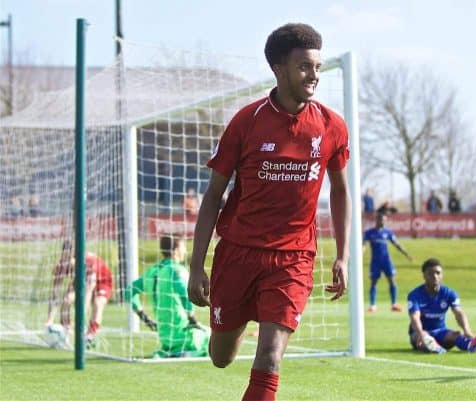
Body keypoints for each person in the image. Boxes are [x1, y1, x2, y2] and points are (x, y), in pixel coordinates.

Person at [187, 23, 351, 401]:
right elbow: (213, 196)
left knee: (270, 356)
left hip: (293, 257)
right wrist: (197, 265)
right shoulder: (247, 122)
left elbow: (340, 189)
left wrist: (342, 255)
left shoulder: (331, 126)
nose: (314, 76)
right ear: (279, 68)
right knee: (221, 356)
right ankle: (237, 317)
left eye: (317, 67)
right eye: (305, 67)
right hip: (238, 252)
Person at [125, 234, 209, 358]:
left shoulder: (152, 271)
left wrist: (143, 316)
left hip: (164, 336)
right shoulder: (176, 270)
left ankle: (176, 352)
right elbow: (186, 295)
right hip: (183, 334)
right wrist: (193, 320)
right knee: (210, 335)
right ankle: (186, 353)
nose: (185, 251)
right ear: (175, 251)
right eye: (183, 247)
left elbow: (129, 291)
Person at [407, 258, 476, 354]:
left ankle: (471, 345)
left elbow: (459, 313)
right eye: (430, 273)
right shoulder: (415, 295)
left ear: (442, 275)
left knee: (456, 335)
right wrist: (421, 333)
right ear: (424, 275)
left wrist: (467, 331)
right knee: (424, 339)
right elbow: (414, 317)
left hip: (440, 332)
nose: (435, 276)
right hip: (419, 333)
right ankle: (433, 346)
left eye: (438, 273)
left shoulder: (449, 293)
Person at [45, 240, 113, 347]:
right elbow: (55, 293)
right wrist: (50, 319)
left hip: (102, 281)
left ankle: (91, 335)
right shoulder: (61, 266)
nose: (67, 261)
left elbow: (88, 291)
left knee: (97, 303)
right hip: (81, 279)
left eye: (70, 259)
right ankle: (66, 331)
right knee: (66, 300)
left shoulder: (89, 262)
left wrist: (81, 318)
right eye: (65, 258)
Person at [363, 212, 413, 312]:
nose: (383, 222)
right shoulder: (369, 232)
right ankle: (373, 305)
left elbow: (396, 244)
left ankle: (394, 304)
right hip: (375, 261)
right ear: (377, 220)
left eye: (385, 220)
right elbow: (363, 245)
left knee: (392, 281)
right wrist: (360, 254)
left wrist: (406, 254)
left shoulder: (387, 232)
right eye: (381, 220)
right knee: (374, 282)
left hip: (386, 261)